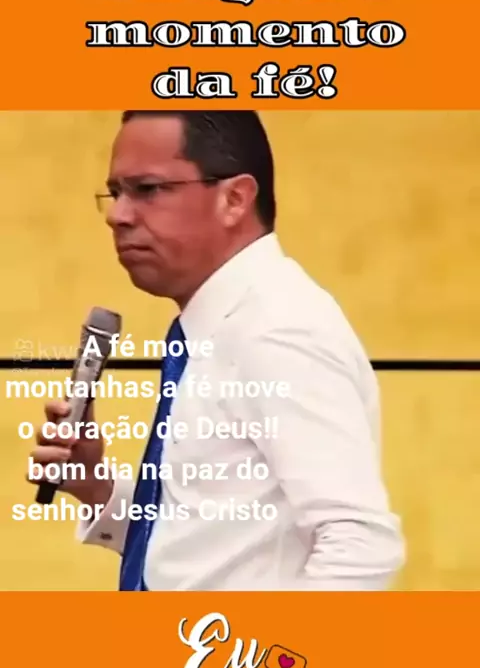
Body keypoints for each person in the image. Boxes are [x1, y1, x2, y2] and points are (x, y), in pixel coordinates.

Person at [28, 110, 405, 591]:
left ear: (235, 199)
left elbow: (361, 544)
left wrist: (271, 646)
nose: (117, 215)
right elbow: (209, 550)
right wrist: (97, 487)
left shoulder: (277, 329)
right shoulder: (218, 329)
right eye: (116, 192)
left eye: (148, 189)